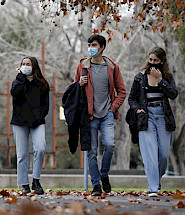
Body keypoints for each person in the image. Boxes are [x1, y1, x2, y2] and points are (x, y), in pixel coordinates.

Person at [74, 35, 126, 196]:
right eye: (89, 44)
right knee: (91, 151)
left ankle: (104, 174)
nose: (91, 48)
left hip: (107, 115)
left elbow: (122, 91)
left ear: (102, 47)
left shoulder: (112, 67)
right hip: (89, 116)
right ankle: (96, 185)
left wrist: (113, 108)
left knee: (110, 145)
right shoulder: (82, 65)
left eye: (94, 45)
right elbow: (73, 91)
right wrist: (79, 84)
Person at [128, 47, 178, 197]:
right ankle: (153, 187)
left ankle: (157, 179)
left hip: (163, 117)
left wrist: (160, 81)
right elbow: (132, 98)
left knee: (163, 154)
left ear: (162, 61)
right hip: (146, 117)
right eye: (150, 59)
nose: (152, 63)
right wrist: (137, 109)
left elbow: (173, 94)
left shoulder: (167, 77)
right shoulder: (140, 77)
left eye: (156, 60)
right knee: (149, 153)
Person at [10, 57, 50, 195]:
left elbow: (46, 106)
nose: (25, 66)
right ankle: (24, 184)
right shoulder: (18, 82)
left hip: (37, 122)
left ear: (34, 67)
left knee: (40, 148)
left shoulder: (42, 84)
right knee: (22, 155)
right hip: (19, 122)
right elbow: (14, 93)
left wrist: (38, 118)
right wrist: (21, 76)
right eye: (23, 64)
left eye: (28, 64)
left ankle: (36, 180)